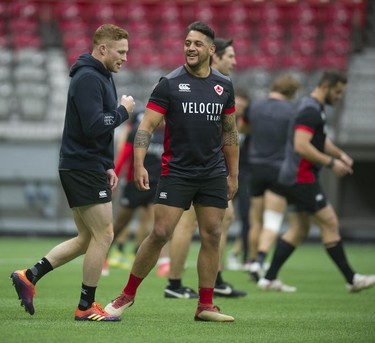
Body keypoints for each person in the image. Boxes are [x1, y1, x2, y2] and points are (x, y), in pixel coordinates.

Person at [104, 21, 239, 322]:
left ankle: (205, 306)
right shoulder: (170, 83)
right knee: (160, 233)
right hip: (176, 171)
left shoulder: (224, 86)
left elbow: (230, 132)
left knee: (213, 234)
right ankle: (126, 295)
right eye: (187, 42)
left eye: (197, 44)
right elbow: (146, 127)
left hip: (213, 172)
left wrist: (233, 174)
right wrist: (138, 164)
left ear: (211, 50)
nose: (190, 48)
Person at [10, 24, 135, 321]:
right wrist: (123, 112)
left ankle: (29, 276)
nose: (126, 58)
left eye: (127, 52)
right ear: (102, 49)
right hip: (81, 165)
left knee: (85, 238)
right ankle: (86, 306)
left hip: (86, 163)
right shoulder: (89, 77)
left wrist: (106, 163)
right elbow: (95, 125)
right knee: (104, 235)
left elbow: (91, 129)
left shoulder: (100, 75)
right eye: (121, 52)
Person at [257, 69, 375, 292]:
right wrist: (332, 163)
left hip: (291, 177)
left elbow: (319, 139)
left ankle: (269, 278)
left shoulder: (312, 107)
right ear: (326, 86)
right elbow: (302, 145)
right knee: (330, 222)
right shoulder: (309, 110)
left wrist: (340, 154)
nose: (339, 97)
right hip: (301, 178)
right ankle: (352, 279)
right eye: (338, 92)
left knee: (299, 228)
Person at [164, 37, 247, 299]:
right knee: (187, 226)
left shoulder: (222, 87)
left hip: (212, 170)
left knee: (220, 222)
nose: (234, 61)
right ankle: (175, 283)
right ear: (216, 56)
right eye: (230, 56)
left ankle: (214, 279)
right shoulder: (201, 84)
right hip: (193, 169)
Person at [245, 74, 301, 281]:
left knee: (255, 220)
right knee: (272, 220)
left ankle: (251, 262)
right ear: (291, 92)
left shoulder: (255, 106)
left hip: (256, 167)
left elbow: (245, 129)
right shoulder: (292, 111)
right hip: (279, 168)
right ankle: (260, 260)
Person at [102, 111, 168, 276]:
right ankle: (103, 255)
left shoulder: (170, 133)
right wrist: (115, 176)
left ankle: (164, 262)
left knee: (159, 225)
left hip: (157, 185)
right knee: (121, 223)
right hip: (135, 184)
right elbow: (125, 155)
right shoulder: (138, 132)